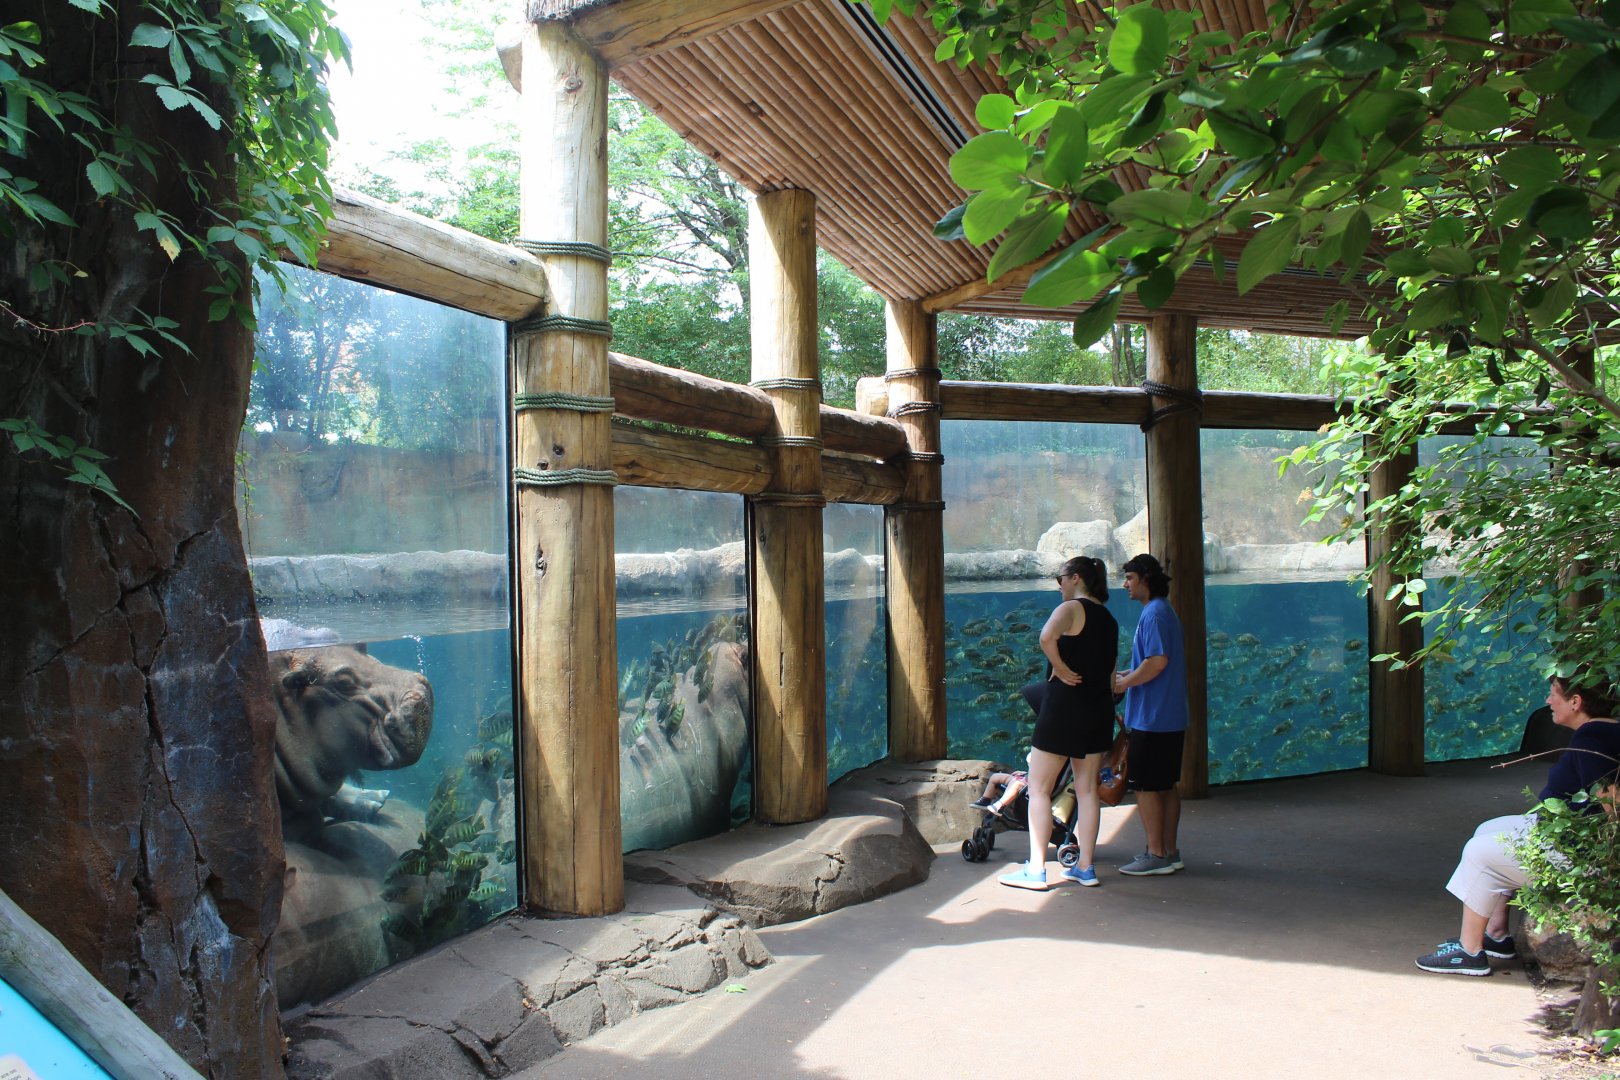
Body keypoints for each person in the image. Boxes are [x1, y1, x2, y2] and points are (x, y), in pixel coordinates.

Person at [1417, 676, 1620, 976]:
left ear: (1575, 703)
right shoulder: (1606, 729)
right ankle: (1497, 935)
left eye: (1554, 695)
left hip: (1578, 854)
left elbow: (1611, 801)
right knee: (1487, 830)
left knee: (1479, 851)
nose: (1548, 701)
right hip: (1565, 834)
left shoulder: (1591, 739)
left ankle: (1469, 952)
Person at [1000, 555, 1119, 891]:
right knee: (1087, 789)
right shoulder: (1108, 619)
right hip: (1098, 709)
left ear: (1076, 577)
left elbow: (1045, 637)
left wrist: (1059, 666)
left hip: (1065, 707)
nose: (1059, 586)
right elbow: (1111, 673)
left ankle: (1036, 869)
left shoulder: (1071, 609)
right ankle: (1086, 867)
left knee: (1038, 787)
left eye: (1060, 579)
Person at [1111, 553, 1188, 877]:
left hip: (1151, 718)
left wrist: (1125, 682)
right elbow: (1153, 661)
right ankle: (1169, 851)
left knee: (1144, 786)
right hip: (1170, 716)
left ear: (1144, 578)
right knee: (1166, 784)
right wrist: (1130, 673)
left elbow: (1157, 662)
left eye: (1129, 578)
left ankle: (1155, 854)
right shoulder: (1163, 611)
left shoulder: (1153, 614)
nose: (1125, 584)